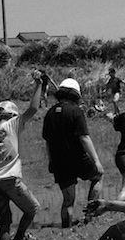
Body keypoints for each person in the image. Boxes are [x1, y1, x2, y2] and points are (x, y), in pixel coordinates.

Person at [0, 73, 44, 240]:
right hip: (9, 179)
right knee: (32, 208)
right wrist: (39, 84)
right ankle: (19, 236)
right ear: (12, 115)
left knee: (4, 221)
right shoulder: (12, 124)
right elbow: (33, 109)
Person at [42, 78, 104, 228]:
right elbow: (84, 137)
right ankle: (89, 215)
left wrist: (51, 160)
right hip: (78, 158)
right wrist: (96, 161)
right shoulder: (76, 112)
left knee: (68, 200)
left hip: (59, 162)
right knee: (98, 177)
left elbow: (48, 141)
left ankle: (66, 229)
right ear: (75, 94)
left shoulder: (49, 113)